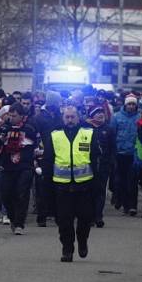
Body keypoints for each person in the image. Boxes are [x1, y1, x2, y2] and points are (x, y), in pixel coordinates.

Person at [42, 105, 100, 262]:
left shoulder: (89, 133)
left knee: (85, 219)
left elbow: (95, 159)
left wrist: (97, 183)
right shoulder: (55, 135)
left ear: (78, 117)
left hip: (84, 185)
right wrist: (46, 184)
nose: (69, 120)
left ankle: (82, 241)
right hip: (62, 185)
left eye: (72, 117)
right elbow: (48, 160)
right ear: (62, 118)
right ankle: (67, 249)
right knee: (64, 221)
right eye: (67, 117)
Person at [0, 102, 37, 235]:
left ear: (22, 116)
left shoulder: (30, 128)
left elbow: (38, 146)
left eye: (14, 115)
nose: (11, 118)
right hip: (7, 166)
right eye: (10, 115)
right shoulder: (4, 127)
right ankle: (11, 217)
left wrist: (36, 163)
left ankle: (19, 223)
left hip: (24, 166)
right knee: (5, 194)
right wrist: (1, 138)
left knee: (21, 194)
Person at [32, 91, 63, 227]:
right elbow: (36, 137)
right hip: (44, 156)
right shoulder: (39, 118)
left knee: (58, 187)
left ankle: (56, 214)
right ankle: (42, 216)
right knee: (43, 188)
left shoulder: (59, 117)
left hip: (59, 156)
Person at [85, 104, 116, 227]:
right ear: (92, 115)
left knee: (100, 191)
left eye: (102, 112)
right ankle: (90, 216)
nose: (100, 114)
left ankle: (98, 216)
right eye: (97, 112)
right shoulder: (86, 128)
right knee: (89, 191)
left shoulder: (108, 129)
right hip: (88, 165)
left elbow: (113, 148)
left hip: (103, 165)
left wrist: (111, 162)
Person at [111, 94, 140, 216]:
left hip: (134, 153)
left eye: (133, 104)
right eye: (129, 104)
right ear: (125, 104)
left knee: (132, 181)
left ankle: (133, 206)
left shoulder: (139, 117)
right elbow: (112, 134)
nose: (131, 106)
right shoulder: (117, 117)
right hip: (120, 153)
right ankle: (124, 204)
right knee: (120, 181)